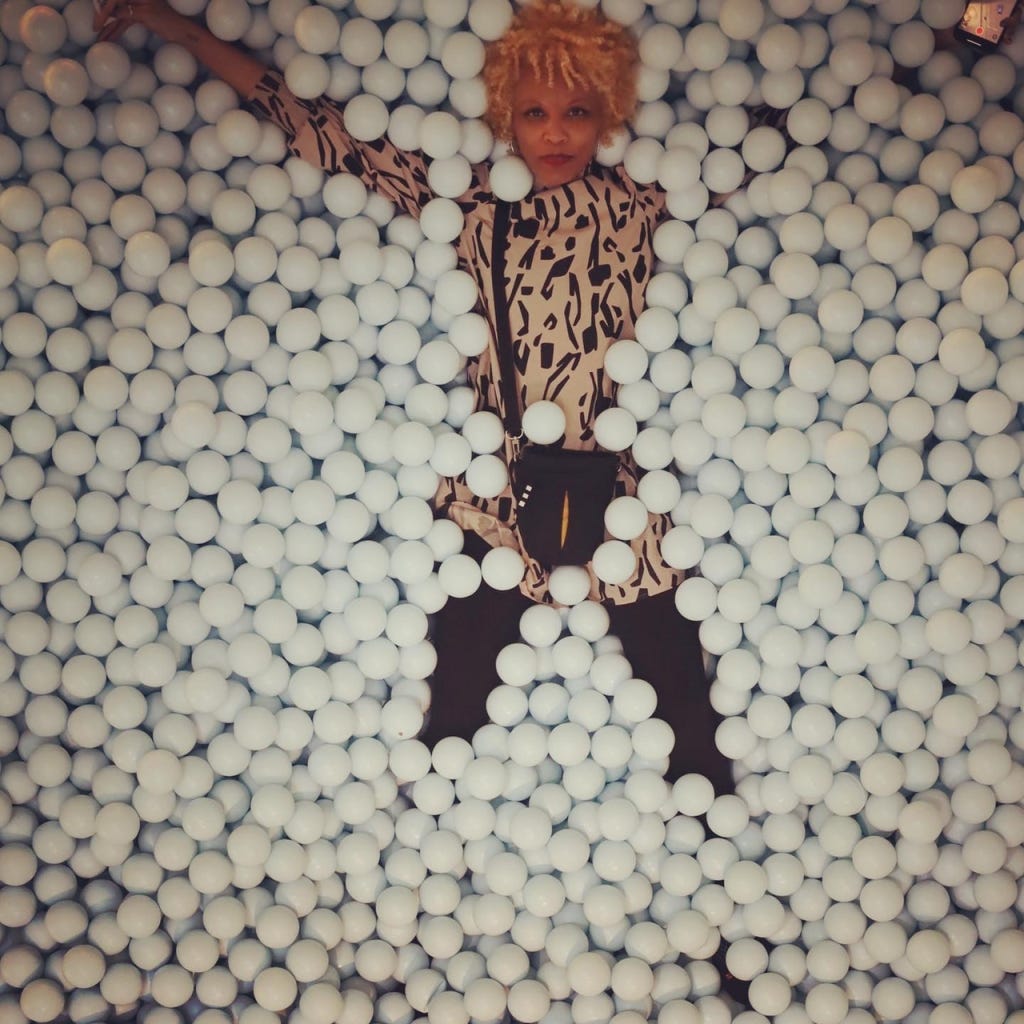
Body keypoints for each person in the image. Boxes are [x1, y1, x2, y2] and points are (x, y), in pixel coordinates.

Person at [93, 0, 735, 795]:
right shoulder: (473, 203)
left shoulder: (643, 202)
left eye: (576, 111)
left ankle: (709, 818)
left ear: (608, 113)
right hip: (496, 496)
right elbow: (322, 131)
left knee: (685, 708)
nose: (556, 134)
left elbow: (769, 141)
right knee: (452, 706)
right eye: (534, 113)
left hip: (624, 496)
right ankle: (431, 823)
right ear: (506, 117)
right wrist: (172, 25)